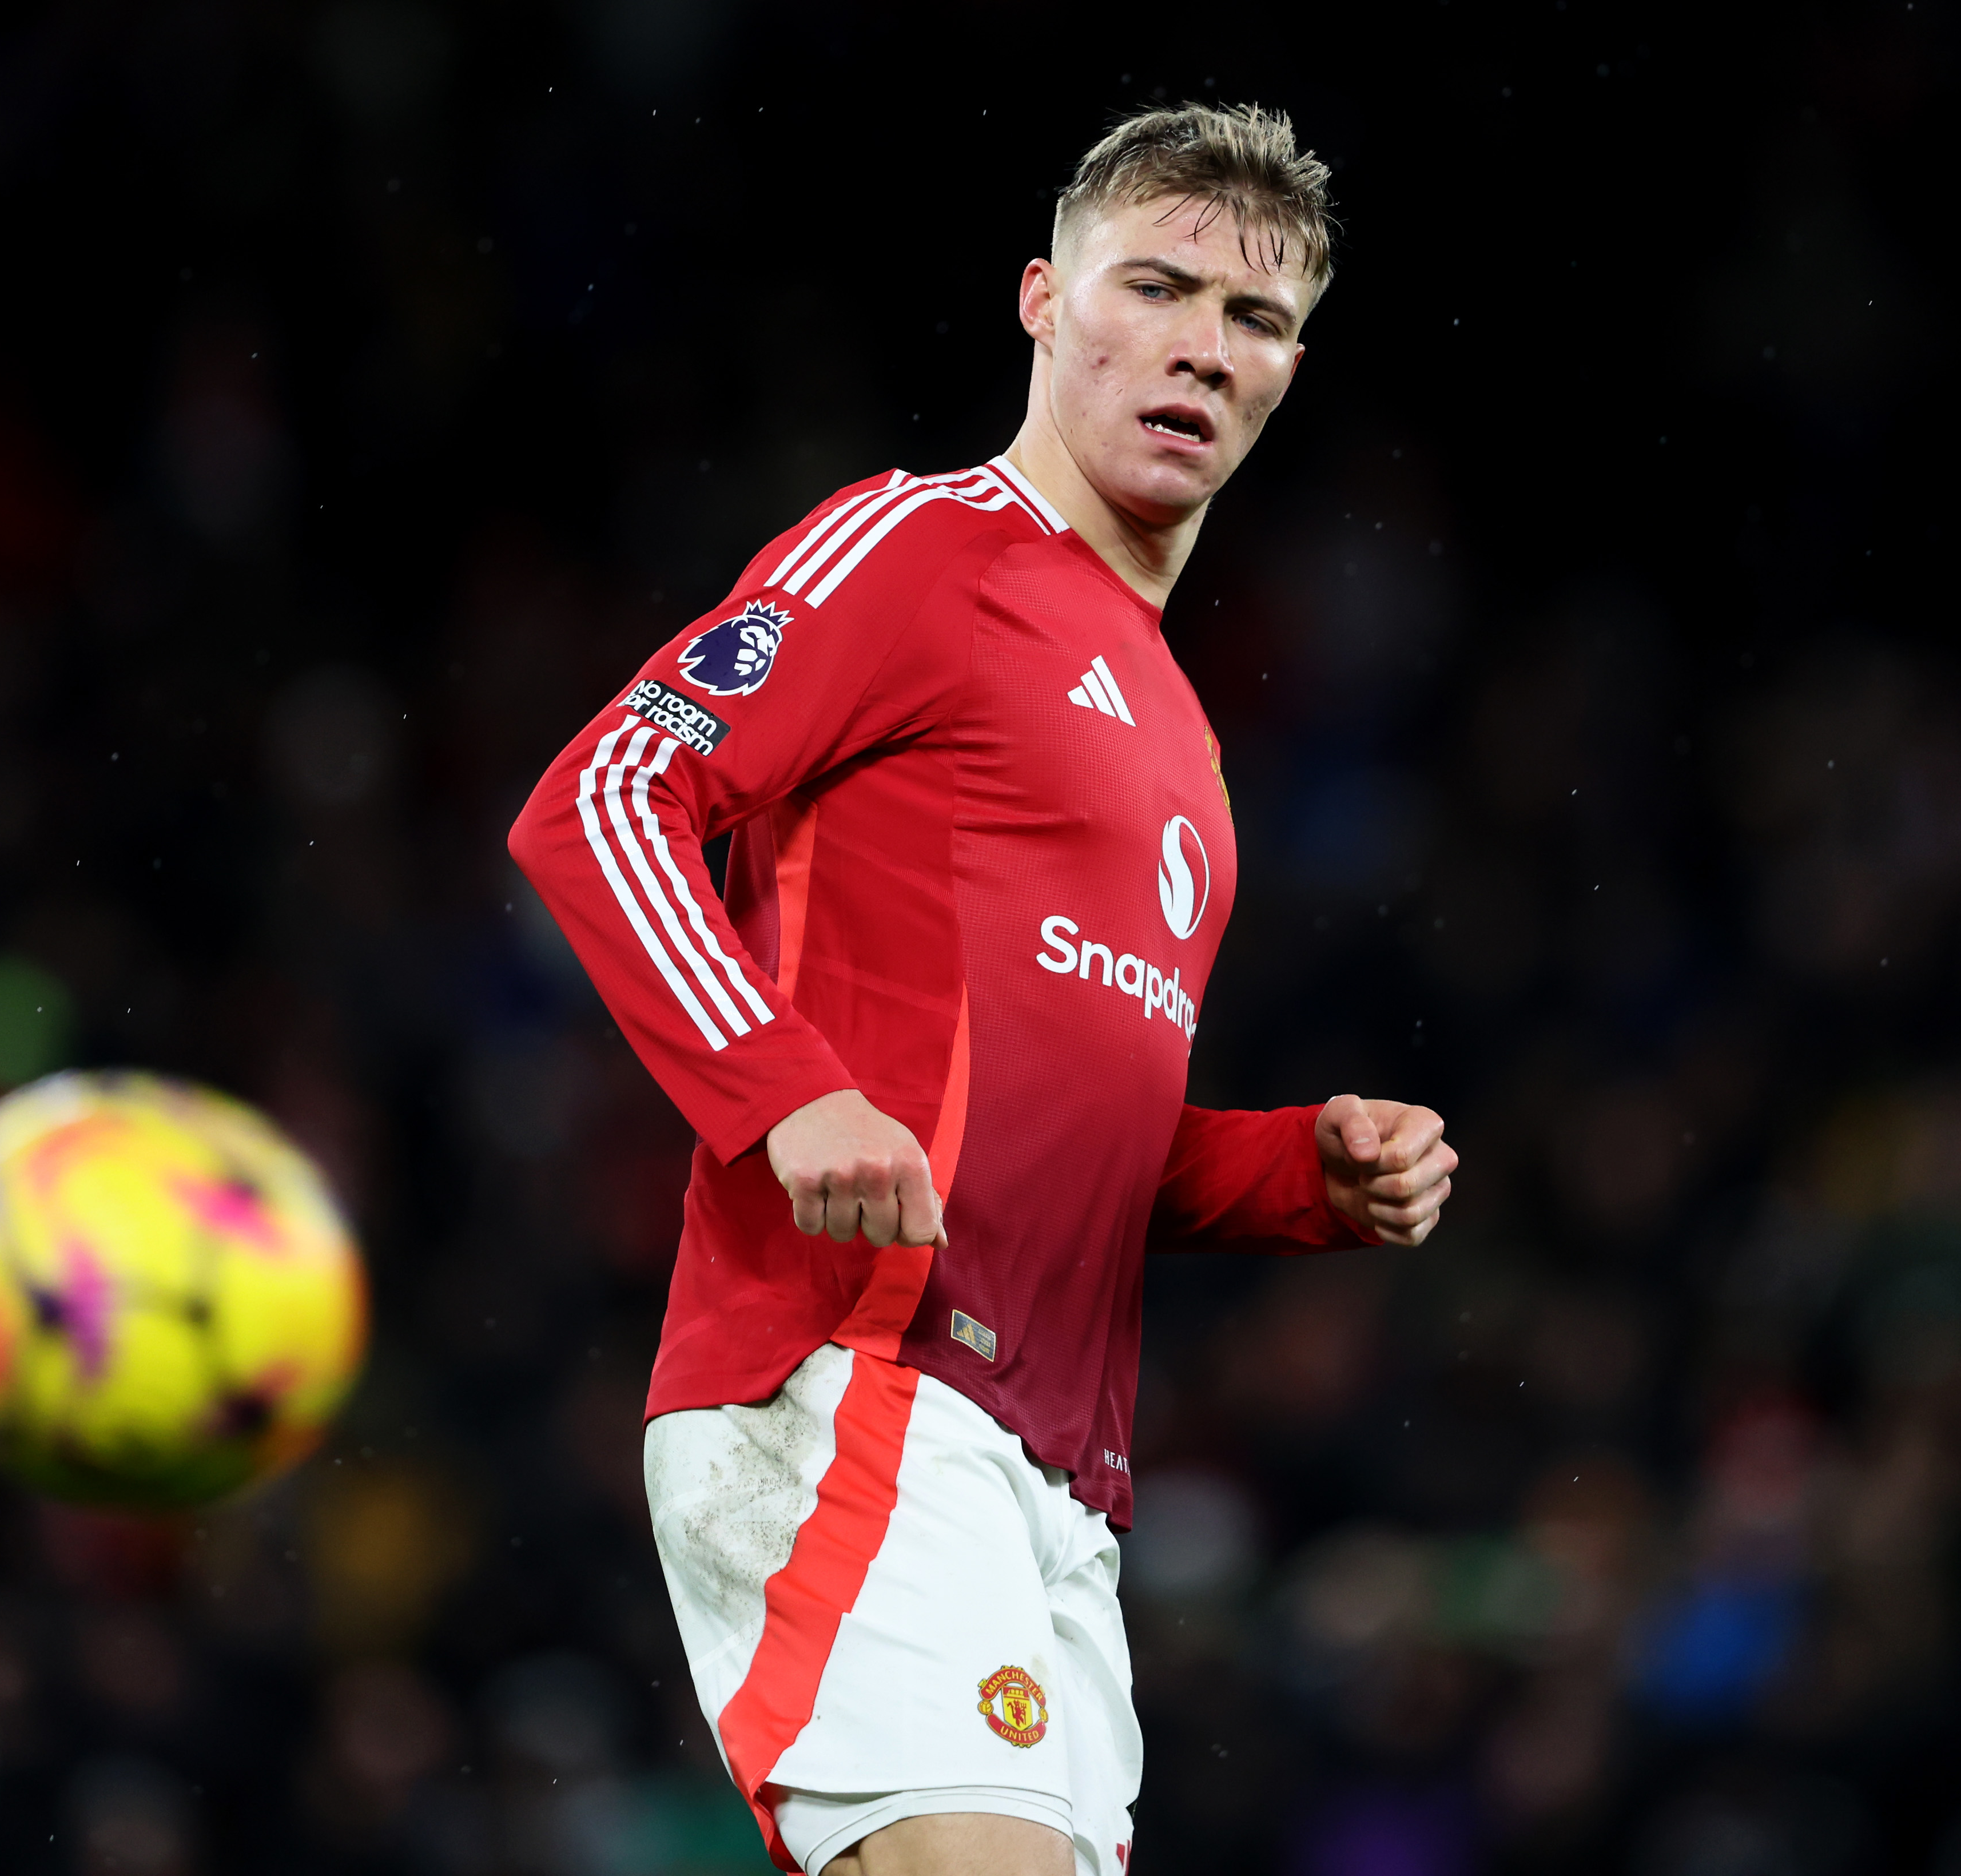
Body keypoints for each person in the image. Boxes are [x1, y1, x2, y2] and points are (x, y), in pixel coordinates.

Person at [506, 102, 1457, 1876]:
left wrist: (1290, 1180)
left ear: (1289, 372)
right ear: (1040, 301)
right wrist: (785, 1089)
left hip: (1053, 1487)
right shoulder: (923, 548)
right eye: (1153, 287)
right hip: (853, 1381)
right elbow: (603, 802)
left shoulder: (1177, 723)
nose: (1198, 347)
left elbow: (1048, 1123)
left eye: (1249, 322)